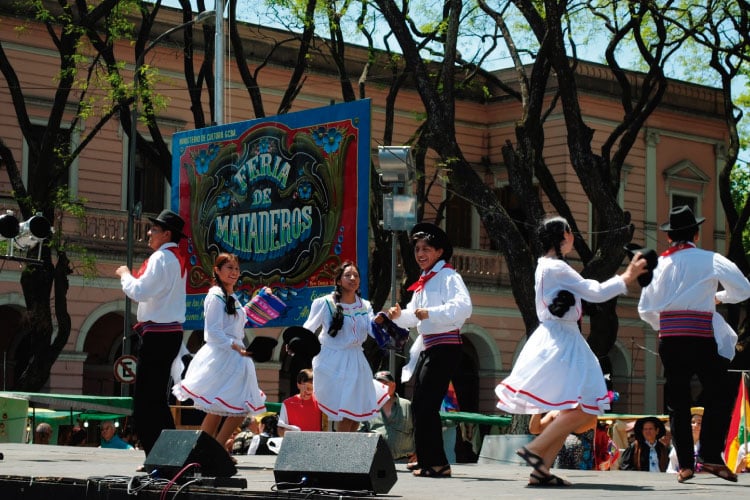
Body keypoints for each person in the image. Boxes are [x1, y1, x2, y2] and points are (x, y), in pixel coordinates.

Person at [495, 215, 647, 486]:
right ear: (562, 236)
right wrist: (627, 277)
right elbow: (595, 291)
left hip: (557, 337)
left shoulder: (546, 266)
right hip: (563, 340)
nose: (573, 237)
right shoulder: (556, 267)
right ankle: (536, 448)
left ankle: (540, 468)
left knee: (572, 408)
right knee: (587, 406)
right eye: (570, 232)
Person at [638, 205, 750, 483]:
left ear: (668, 237)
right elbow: (744, 289)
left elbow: (645, 308)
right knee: (720, 393)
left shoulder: (659, 265)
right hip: (701, 337)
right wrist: (718, 298)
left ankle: (686, 464)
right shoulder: (710, 259)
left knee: (678, 401)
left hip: (672, 340)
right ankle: (711, 456)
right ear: (697, 235)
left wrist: (665, 323)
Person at [388, 222, 473, 478]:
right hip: (430, 347)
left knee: (426, 405)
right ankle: (426, 458)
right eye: (417, 249)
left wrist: (429, 313)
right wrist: (395, 316)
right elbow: (413, 318)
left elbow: (463, 308)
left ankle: (438, 463)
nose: (420, 254)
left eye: (426, 248)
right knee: (420, 405)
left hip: (446, 346)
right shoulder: (424, 282)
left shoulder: (448, 276)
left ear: (439, 252)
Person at [172, 253, 268, 453]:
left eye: (236, 269)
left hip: (235, 357)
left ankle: (212, 450)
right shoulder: (215, 296)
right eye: (229, 268)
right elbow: (213, 332)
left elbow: (235, 322)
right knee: (231, 407)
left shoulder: (230, 296)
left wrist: (260, 301)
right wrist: (236, 347)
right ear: (217, 270)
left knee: (229, 408)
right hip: (223, 357)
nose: (234, 273)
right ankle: (213, 450)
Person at [116, 209, 188, 457]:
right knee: (155, 398)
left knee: (146, 401)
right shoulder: (176, 259)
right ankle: (166, 454)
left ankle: (158, 454)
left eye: (154, 229)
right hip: (168, 333)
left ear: (167, 234)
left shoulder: (161, 259)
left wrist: (125, 274)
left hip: (158, 333)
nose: (149, 233)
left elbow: (140, 291)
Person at [303, 260, 390, 433]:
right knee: (345, 411)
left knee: (356, 412)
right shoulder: (324, 303)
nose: (352, 278)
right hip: (332, 360)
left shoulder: (364, 305)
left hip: (356, 360)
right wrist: (295, 343)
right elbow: (308, 328)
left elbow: (372, 330)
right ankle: (340, 453)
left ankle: (345, 453)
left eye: (356, 275)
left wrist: (382, 321)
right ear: (338, 280)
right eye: (348, 275)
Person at [359, 370, 416, 462]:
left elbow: (419, 431)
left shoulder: (407, 405)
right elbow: (360, 434)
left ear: (394, 385)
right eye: (378, 384)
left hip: (405, 462)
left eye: (385, 384)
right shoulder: (368, 407)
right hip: (375, 463)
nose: (382, 387)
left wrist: (419, 453)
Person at [528, 410, 597, 470]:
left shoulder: (589, 413)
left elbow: (577, 429)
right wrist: (537, 410)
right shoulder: (555, 413)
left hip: (579, 463)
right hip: (556, 461)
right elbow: (534, 429)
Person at [278, 368, 323, 435]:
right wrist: (291, 431)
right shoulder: (287, 404)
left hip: (316, 443)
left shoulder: (321, 402)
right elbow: (280, 431)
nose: (308, 391)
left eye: (311, 388)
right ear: (298, 385)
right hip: (295, 443)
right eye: (305, 387)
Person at [668, 407, 703, 473]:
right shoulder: (680, 445)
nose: (695, 425)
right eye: (692, 422)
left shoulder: (709, 446)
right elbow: (671, 469)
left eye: (699, 423)